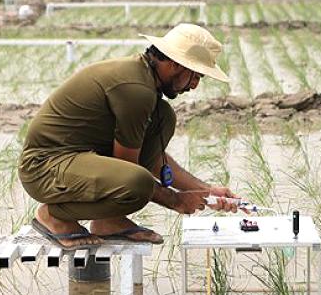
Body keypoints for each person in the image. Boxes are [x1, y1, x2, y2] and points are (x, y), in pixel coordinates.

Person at [18, 23, 242, 248]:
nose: (194, 85)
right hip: (43, 168)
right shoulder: (136, 90)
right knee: (137, 184)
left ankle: (108, 221)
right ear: (176, 64)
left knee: (164, 117)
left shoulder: (145, 83)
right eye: (196, 76)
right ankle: (54, 216)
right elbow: (129, 175)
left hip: (74, 160)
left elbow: (152, 159)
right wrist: (175, 200)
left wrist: (206, 190)